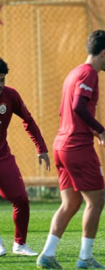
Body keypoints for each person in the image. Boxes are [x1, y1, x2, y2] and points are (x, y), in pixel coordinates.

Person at [36, 30, 105, 269]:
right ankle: (85, 258)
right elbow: (78, 106)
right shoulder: (89, 73)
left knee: (70, 204)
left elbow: (69, 112)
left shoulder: (74, 73)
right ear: (103, 52)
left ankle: (47, 255)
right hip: (77, 147)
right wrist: (101, 130)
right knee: (96, 202)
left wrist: (94, 132)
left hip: (62, 145)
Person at [0, 58, 51, 257]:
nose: (0, 85)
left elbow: (28, 121)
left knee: (21, 199)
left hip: (3, 156)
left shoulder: (10, 95)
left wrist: (41, 148)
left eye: (2, 80)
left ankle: (19, 244)